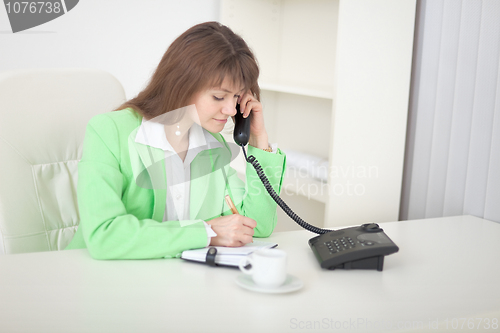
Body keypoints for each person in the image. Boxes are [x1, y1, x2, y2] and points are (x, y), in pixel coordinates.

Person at [65, 21, 286, 259]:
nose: (232, 110)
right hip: (98, 280)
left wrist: (258, 139)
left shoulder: (213, 144)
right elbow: (104, 235)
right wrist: (207, 232)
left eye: (237, 96)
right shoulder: (108, 132)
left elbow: (258, 226)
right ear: (182, 84)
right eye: (219, 96)